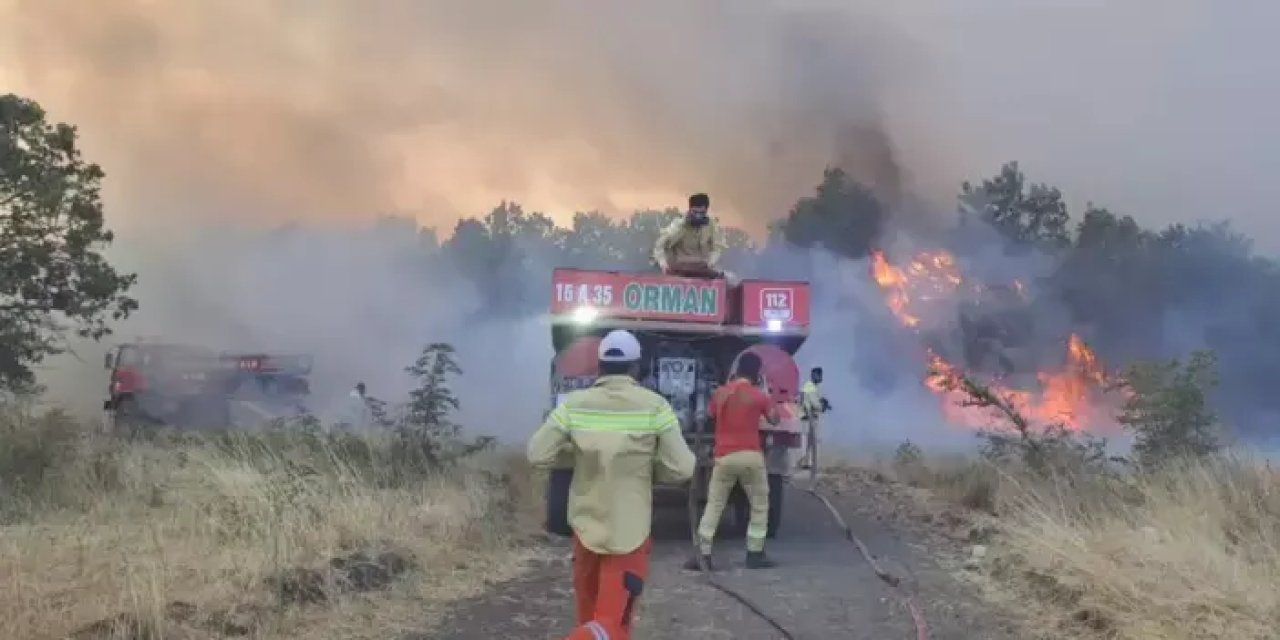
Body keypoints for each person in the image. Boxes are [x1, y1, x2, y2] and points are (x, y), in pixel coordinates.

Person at [528, 330, 696, 640]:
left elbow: (538, 454)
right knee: (611, 626)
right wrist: (649, 469)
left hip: (586, 528)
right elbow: (683, 467)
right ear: (636, 368)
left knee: (590, 618)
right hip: (629, 532)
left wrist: (578, 455)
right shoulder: (655, 407)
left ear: (600, 367)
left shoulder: (574, 405)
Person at [685, 352, 780, 571]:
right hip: (750, 457)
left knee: (714, 504)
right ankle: (755, 553)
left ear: (736, 370)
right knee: (759, 504)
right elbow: (774, 419)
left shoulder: (720, 394)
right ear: (757, 374)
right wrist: (767, 394)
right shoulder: (758, 396)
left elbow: (709, 414)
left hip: (724, 457)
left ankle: (704, 555)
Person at [652, 193, 728, 278]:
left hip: (703, 269)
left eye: (701, 213)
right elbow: (660, 245)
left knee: (728, 278)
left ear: (706, 211)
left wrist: (710, 262)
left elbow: (717, 247)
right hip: (679, 268)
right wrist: (664, 265)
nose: (698, 216)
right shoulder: (678, 224)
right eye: (695, 212)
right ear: (690, 209)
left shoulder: (712, 224)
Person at [799, 367, 831, 469]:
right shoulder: (809, 386)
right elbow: (812, 403)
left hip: (813, 417)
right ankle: (806, 463)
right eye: (818, 375)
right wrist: (822, 406)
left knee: (812, 441)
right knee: (809, 441)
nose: (820, 377)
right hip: (809, 417)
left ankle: (809, 463)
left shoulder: (814, 387)